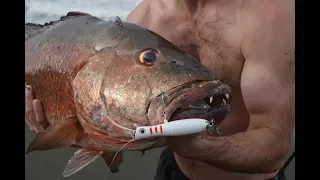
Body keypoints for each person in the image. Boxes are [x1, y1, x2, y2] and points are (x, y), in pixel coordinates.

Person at [25, 0, 295, 179]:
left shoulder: (271, 17)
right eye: (147, 58)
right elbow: (98, 110)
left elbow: (274, 144)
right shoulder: (143, 19)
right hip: (173, 171)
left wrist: (195, 146)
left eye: (148, 58)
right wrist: (86, 134)